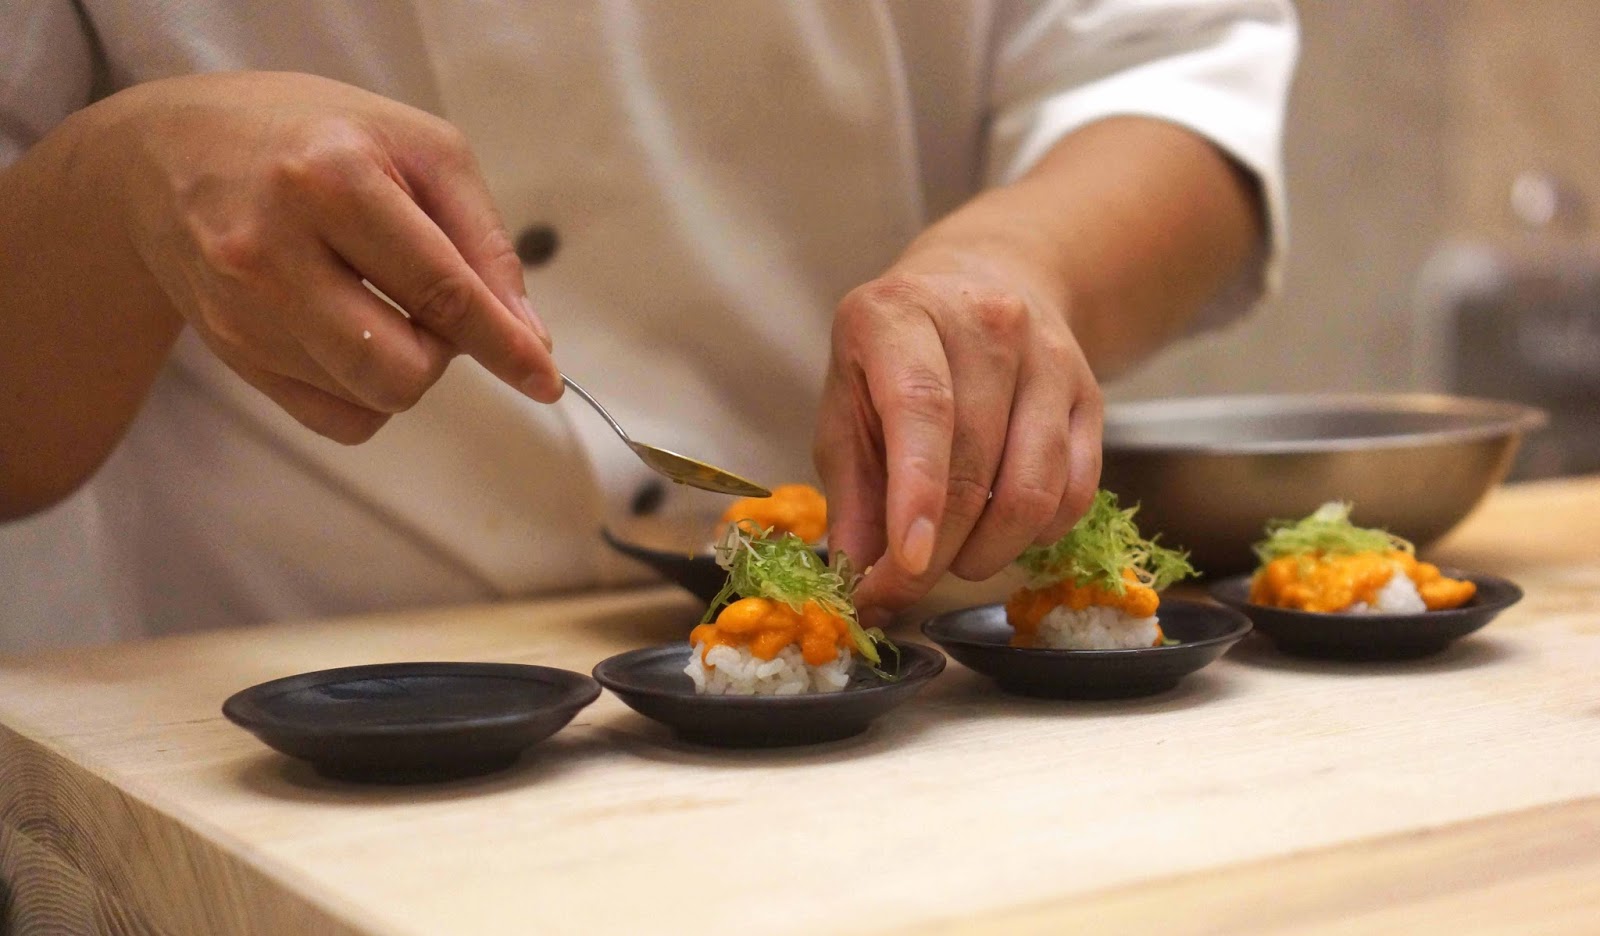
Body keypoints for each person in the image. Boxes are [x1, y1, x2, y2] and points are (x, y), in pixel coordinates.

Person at [0, 1, 1295, 651]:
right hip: (267, 698)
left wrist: (1016, 260)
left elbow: (1165, 66)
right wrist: (118, 179)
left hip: (910, 659)